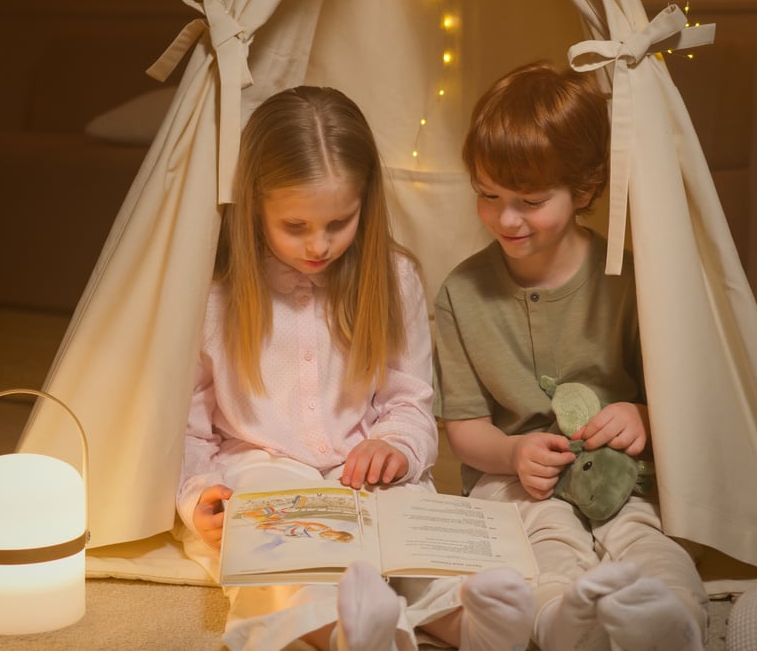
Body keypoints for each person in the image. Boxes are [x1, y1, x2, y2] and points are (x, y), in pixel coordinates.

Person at [176, 85, 534, 651]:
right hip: (262, 468)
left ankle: (477, 625)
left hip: (365, 466)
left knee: (421, 534)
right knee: (286, 565)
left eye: (339, 222)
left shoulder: (395, 278)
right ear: (254, 206)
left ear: (366, 202)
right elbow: (189, 428)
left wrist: (396, 444)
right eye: (295, 226)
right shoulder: (215, 293)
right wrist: (198, 497)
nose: (319, 245)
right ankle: (355, 633)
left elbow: (409, 401)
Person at [432, 61, 709, 651]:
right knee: (541, 544)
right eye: (488, 195)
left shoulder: (631, 280)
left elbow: (687, 395)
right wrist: (511, 452)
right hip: (515, 482)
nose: (506, 218)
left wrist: (641, 413)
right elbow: (464, 430)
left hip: (621, 474)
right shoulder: (460, 293)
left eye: (530, 201)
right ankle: (562, 623)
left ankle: (669, 618)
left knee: (646, 534)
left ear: (583, 191)